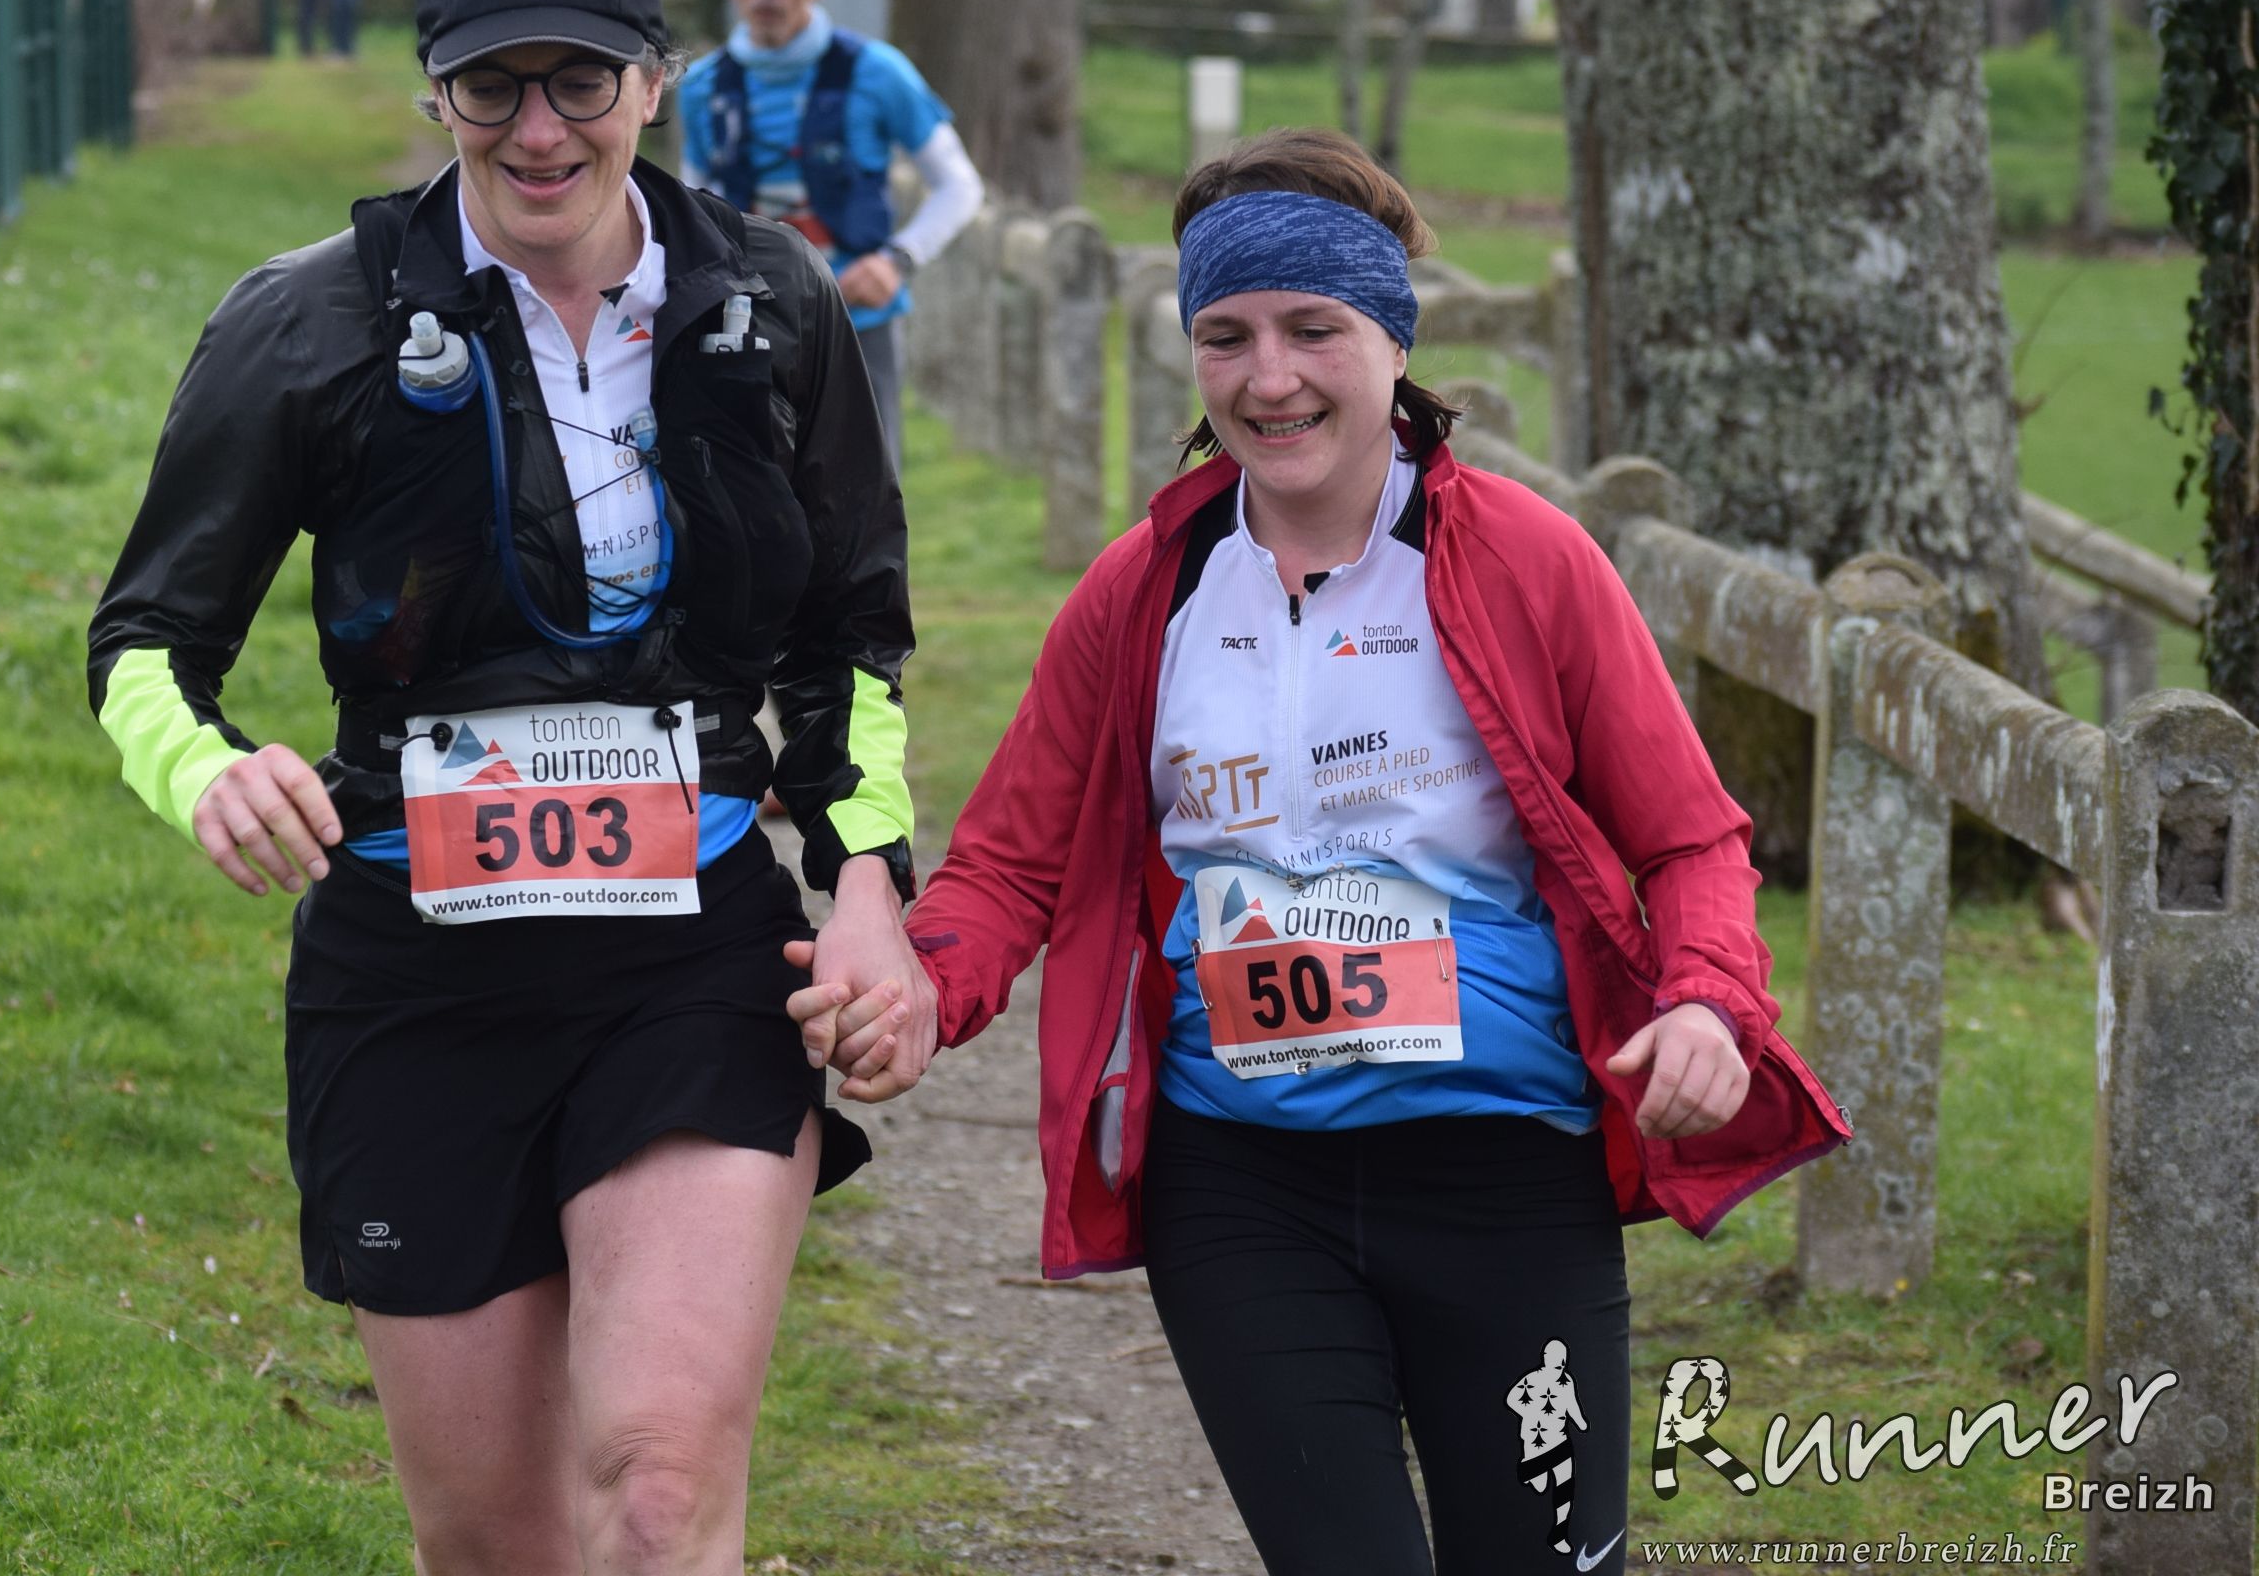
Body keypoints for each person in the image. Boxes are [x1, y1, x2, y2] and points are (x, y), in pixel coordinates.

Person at [789, 129, 1852, 1574]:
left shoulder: (1529, 561)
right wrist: (924, 984)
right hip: (1241, 1185)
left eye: (1313, 330)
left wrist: (1711, 1002)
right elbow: (1011, 863)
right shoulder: (1146, 589)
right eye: (1224, 336)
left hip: (1504, 1173)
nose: (1268, 376)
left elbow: (1688, 838)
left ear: (1393, 343)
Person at [89, 0, 914, 1572]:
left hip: (688, 957)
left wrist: (868, 887)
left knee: (660, 1491)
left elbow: (851, 642)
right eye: (492, 86)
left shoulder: (772, 302)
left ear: (655, 83)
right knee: (498, 1541)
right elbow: (144, 648)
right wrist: (209, 772)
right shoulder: (308, 321)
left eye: (580, 81)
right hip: (417, 971)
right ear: (437, 95)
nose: (538, 131)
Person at [676, 0, 983, 468]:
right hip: (744, 329)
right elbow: (687, 208)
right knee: (751, 496)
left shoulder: (878, 72)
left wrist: (897, 261)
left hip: (859, 325)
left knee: (868, 493)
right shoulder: (701, 88)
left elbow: (960, 186)